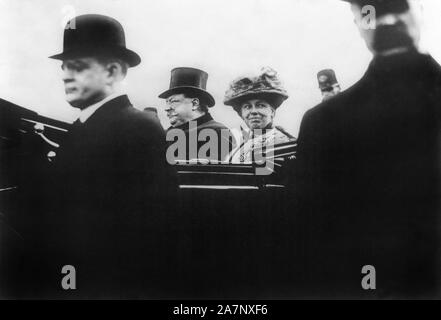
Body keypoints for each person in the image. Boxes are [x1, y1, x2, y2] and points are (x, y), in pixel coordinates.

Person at [295, 0, 441, 298]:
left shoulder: (325, 121)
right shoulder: (324, 123)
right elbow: (313, 239)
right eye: (371, 10)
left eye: (398, 6)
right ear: (357, 24)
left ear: (421, 11)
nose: (386, 20)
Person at [27, 14, 178, 298]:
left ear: (112, 72)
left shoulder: (139, 128)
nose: (64, 74)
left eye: (77, 66)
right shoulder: (86, 125)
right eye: (63, 66)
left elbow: (148, 232)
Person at [224, 67, 296, 164]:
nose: (253, 111)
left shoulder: (283, 143)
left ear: (272, 112)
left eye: (260, 105)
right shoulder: (240, 145)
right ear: (241, 114)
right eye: (247, 107)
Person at [160, 67, 233, 162]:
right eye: (167, 102)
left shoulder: (218, 133)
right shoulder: (166, 134)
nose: (166, 108)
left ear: (194, 103)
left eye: (173, 101)